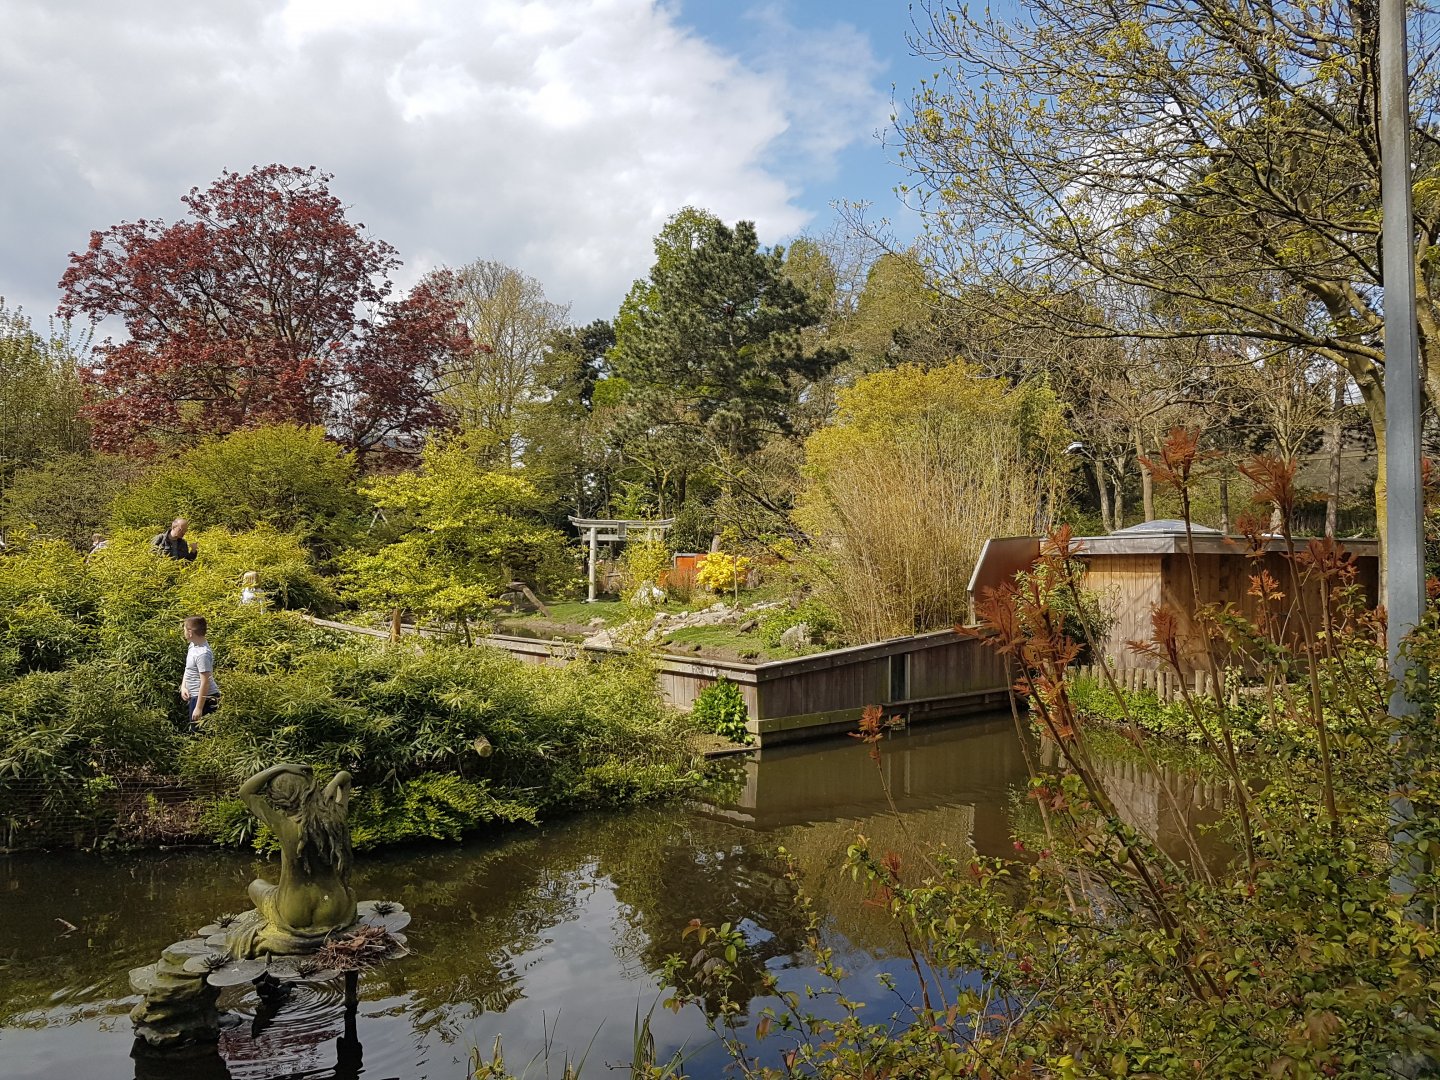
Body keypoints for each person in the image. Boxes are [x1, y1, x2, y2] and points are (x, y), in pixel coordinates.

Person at [179, 615, 221, 724]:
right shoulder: (193, 646)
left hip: (205, 700)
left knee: (199, 734)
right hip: (194, 696)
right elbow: (188, 669)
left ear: (190, 632)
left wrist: (198, 708)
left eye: (184, 629)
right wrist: (183, 686)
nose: (183, 632)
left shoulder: (203, 654)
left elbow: (205, 682)